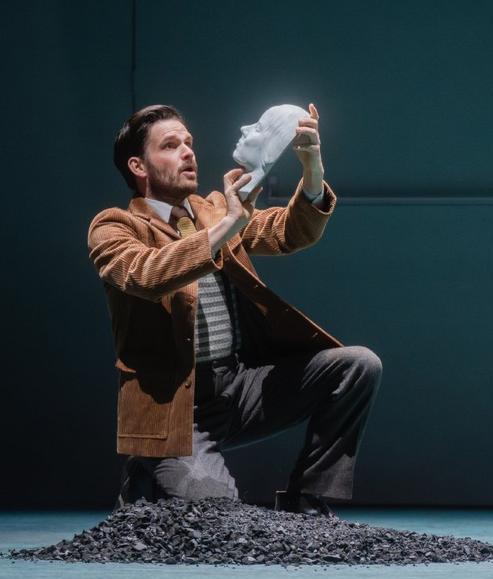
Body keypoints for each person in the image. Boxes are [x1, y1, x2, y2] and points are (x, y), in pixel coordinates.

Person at [87, 103, 381, 517]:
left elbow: (289, 232)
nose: (188, 152)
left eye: (189, 142)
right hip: (176, 406)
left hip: (239, 387)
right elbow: (146, 275)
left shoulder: (214, 210)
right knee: (220, 513)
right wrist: (229, 224)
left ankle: (306, 500)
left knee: (358, 366)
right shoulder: (114, 226)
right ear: (138, 166)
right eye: (170, 145)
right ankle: (148, 469)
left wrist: (311, 168)